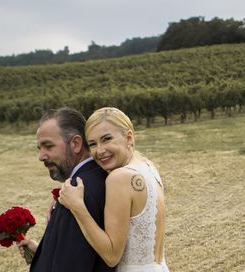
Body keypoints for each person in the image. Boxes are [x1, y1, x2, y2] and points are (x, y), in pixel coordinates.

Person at [58, 107, 169, 272]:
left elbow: (111, 256)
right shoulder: (147, 165)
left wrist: (77, 207)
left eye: (107, 139)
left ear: (128, 137)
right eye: (93, 144)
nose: (100, 150)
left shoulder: (119, 178)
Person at [17, 107, 116, 272]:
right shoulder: (94, 178)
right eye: (39, 148)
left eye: (48, 146)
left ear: (76, 144)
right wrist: (41, 252)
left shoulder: (79, 191)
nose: (41, 156)